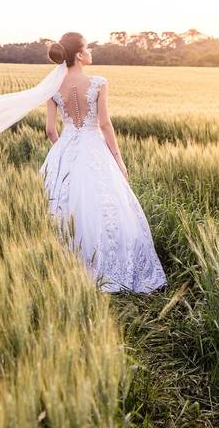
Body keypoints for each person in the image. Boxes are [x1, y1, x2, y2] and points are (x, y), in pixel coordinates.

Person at [40, 32, 167, 294]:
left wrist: (64, 151)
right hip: (94, 147)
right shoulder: (98, 83)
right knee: (106, 206)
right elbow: (105, 124)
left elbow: (50, 130)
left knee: (64, 208)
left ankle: (64, 267)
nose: (91, 52)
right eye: (88, 48)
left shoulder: (53, 87)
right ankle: (110, 266)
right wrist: (118, 160)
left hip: (66, 149)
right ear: (78, 55)